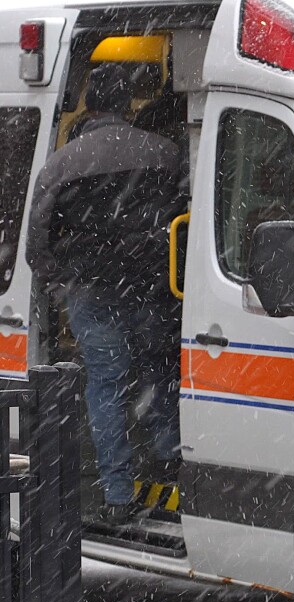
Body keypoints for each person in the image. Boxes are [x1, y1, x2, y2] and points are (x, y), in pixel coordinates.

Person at [26, 63, 185, 525]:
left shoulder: (60, 165)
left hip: (93, 294)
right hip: (156, 291)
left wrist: (68, 280)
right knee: (159, 376)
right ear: (127, 103)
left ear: (90, 104)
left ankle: (117, 495)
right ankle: (171, 473)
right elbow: (184, 221)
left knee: (107, 388)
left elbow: (37, 245)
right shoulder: (166, 154)